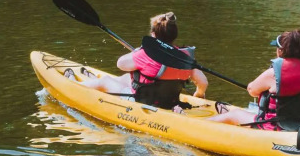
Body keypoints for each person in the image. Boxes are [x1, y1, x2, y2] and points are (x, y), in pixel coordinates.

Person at [76, 12, 208, 109]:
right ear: (174, 36)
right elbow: (203, 82)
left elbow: (121, 64)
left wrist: (140, 50)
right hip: (170, 102)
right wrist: (199, 94)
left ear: (153, 35)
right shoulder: (185, 58)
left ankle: (74, 87)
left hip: (141, 103)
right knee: (125, 78)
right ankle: (89, 81)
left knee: (105, 81)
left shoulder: (144, 54)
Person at [208, 30, 300, 130]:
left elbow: (252, 90)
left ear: (281, 51)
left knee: (234, 114)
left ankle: (196, 125)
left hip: (274, 127)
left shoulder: (274, 74)